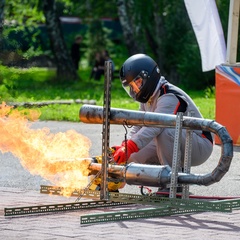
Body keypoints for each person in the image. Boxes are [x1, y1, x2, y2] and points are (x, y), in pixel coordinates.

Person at [112, 54, 213, 176]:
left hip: (200, 144)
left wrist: (131, 146)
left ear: (147, 76)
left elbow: (155, 126)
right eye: (131, 87)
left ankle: (174, 181)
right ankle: (159, 177)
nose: (134, 91)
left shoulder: (169, 95)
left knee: (164, 128)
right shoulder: (148, 98)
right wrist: (125, 146)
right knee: (133, 156)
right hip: (177, 138)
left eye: (136, 84)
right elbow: (138, 125)